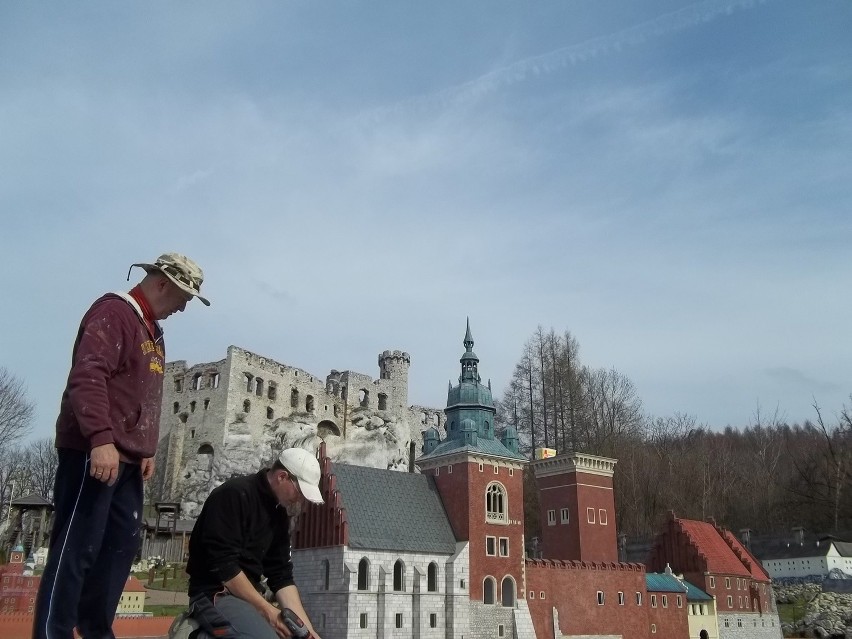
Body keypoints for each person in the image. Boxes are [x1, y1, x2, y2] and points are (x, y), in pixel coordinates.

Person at [33, 253, 210, 639]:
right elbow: (88, 375)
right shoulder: (114, 313)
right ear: (162, 283)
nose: (182, 308)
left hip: (128, 457)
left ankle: (96, 629)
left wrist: (146, 446)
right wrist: (100, 438)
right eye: (183, 298)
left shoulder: (153, 331)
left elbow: (141, 393)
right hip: (93, 452)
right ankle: (53, 632)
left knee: (120, 548)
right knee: (76, 549)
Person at [186, 447, 324, 639]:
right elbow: (224, 567)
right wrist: (268, 612)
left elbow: (281, 576)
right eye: (300, 491)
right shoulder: (233, 495)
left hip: (248, 597)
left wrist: (309, 633)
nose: (300, 499)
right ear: (282, 477)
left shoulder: (279, 513)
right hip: (215, 593)